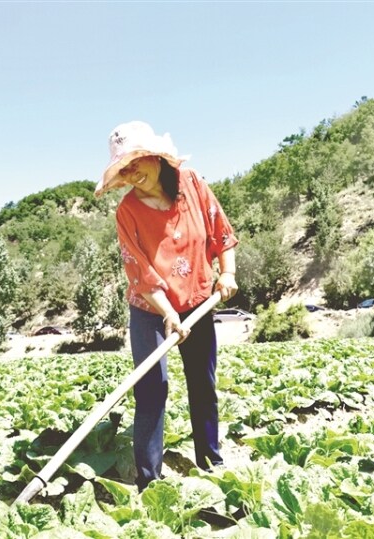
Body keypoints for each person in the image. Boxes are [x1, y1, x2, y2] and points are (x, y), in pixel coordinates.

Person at [95, 121, 239, 490]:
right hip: (149, 308)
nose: (132, 173)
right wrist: (169, 315)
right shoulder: (127, 211)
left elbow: (221, 233)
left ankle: (211, 460)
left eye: (136, 161)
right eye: (123, 168)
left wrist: (227, 274)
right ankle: (150, 480)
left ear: (156, 156)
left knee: (202, 384)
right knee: (152, 388)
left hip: (197, 299)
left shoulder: (191, 183)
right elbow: (140, 273)